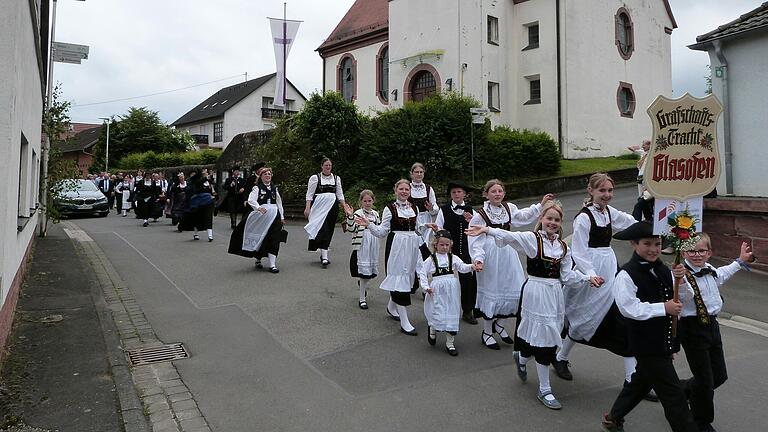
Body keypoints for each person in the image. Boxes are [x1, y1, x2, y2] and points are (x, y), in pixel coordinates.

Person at [468, 201, 599, 410]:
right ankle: (544, 389)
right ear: (541, 220)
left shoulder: (564, 248)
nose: (553, 223)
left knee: (544, 336)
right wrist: (487, 229)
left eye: (557, 219)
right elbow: (510, 236)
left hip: (554, 294)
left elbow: (566, 276)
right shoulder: (532, 239)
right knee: (544, 340)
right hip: (535, 292)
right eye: (549, 218)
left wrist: (586, 278)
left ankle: (522, 356)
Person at [601, 221, 698, 432]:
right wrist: (663, 307)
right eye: (647, 244)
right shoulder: (626, 274)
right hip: (645, 343)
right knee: (674, 396)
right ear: (634, 244)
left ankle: (613, 417)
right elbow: (629, 308)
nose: (654, 249)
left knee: (641, 382)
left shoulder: (664, 269)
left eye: (657, 243)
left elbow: (684, 299)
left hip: (664, 340)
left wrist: (681, 280)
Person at [554, 173, 640, 386]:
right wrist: (591, 274)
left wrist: (656, 227)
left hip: (609, 265)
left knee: (620, 314)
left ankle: (632, 379)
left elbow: (631, 222)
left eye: (610, 191)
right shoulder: (584, 218)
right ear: (591, 191)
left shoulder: (609, 212)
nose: (607, 195)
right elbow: (580, 251)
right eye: (602, 190)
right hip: (590, 269)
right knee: (583, 315)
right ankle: (560, 357)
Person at [678, 233, 755, 432]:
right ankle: (700, 422)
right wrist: (681, 281)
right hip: (692, 329)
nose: (696, 254)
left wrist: (739, 261)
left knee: (719, 376)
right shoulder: (680, 275)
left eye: (701, 250)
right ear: (683, 252)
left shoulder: (709, 269)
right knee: (705, 381)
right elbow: (685, 297)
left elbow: (721, 275)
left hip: (712, 326)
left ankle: (683, 389)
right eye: (691, 250)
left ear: (709, 253)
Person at [467, 179, 552, 350]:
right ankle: (487, 332)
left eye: (500, 191)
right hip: (490, 255)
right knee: (493, 290)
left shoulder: (509, 208)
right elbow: (475, 240)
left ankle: (500, 325)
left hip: (508, 251)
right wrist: (478, 258)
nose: (497, 194)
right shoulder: (480, 214)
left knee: (515, 288)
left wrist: (540, 206)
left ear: (504, 193)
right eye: (493, 191)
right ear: (486, 194)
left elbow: (524, 216)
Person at [355, 180, 422, 336]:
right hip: (397, 246)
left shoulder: (415, 208)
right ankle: (404, 320)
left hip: (412, 246)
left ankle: (392, 307)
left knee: (408, 277)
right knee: (399, 279)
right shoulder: (389, 208)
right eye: (401, 189)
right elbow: (382, 232)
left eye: (407, 189)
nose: (404, 191)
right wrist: (369, 224)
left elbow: (417, 229)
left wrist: (427, 229)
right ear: (395, 190)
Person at [419, 230, 480, 356]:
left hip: (452, 289)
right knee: (437, 310)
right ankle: (433, 329)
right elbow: (422, 273)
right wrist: (426, 287)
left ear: (450, 245)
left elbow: (462, 267)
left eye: (447, 245)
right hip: (437, 289)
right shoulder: (431, 260)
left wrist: (471, 267)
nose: (444, 247)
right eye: (442, 245)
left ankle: (450, 342)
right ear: (435, 244)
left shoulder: (453, 258)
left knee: (451, 311)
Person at [429, 181, 478, 325]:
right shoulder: (443, 210)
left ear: (464, 194)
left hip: (466, 251)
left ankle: (468, 310)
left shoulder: (470, 210)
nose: (456, 194)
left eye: (459, 192)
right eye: (454, 192)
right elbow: (438, 230)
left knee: (468, 282)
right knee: (445, 282)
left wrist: (472, 221)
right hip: (448, 253)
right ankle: (443, 310)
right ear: (450, 195)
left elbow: (478, 229)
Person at [228, 168, 285, 272]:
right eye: (265, 174)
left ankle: (272, 264)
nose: (268, 176)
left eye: (269, 174)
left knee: (274, 239)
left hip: (275, 215)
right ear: (261, 176)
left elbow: (279, 203)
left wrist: (282, 217)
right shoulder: (257, 188)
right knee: (262, 237)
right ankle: (258, 258)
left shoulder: (275, 188)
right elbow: (251, 200)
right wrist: (258, 208)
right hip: (262, 216)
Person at [304, 158, 352, 268]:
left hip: (332, 207)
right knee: (322, 229)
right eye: (326, 165)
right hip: (319, 207)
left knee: (329, 229)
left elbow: (340, 194)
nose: (328, 167)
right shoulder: (315, 178)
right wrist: (307, 208)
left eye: (330, 165)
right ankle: (325, 257)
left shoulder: (336, 178)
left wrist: (344, 206)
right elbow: (309, 194)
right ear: (321, 166)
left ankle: (323, 253)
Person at [345, 190, 381, 309]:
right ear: (361, 202)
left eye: (369, 200)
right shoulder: (358, 213)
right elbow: (351, 228)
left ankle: (363, 285)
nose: (367, 203)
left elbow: (379, 228)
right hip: (362, 245)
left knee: (369, 273)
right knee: (363, 273)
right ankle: (362, 298)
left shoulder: (375, 214)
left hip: (373, 244)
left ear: (373, 201)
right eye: (365, 201)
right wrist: (350, 216)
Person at [179, 170, 216, 241]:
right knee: (196, 218)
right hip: (197, 202)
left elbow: (214, 189)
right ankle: (196, 234)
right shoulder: (195, 181)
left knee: (208, 217)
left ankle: (210, 235)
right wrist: (205, 177)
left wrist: (214, 195)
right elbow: (198, 183)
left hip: (208, 201)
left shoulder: (209, 181)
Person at [408, 163, 438, 244]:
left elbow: (435, 207)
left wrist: (431, 209)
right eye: (416, 172)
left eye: (421, 172)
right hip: (412, 219)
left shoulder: (428, 189)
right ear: (411, 173)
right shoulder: (407, 188)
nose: (419, 174)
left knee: (424, 243)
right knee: (412, 242)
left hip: (426, 218)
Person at [628, 139, 654, 221]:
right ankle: (648, 219)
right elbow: (630, 148)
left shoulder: (652, 154)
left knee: (643, 201)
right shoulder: (643, 153)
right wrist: (637, 147)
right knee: (643, 200)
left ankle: (636, 222)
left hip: (648, 181)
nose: (643, 146)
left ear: (650, 145)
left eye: (644, 144)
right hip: (641, 180)